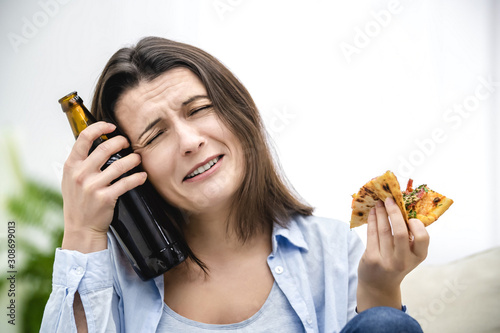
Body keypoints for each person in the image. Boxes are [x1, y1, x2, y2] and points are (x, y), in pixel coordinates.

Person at [40, 36, 428, 332]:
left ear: (238, 113)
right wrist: (80, 231)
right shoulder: (110, 283)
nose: (190, 142)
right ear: (126, 169)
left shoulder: (331, 251)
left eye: (199, 110)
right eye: (156, 136)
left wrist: (380, 289)